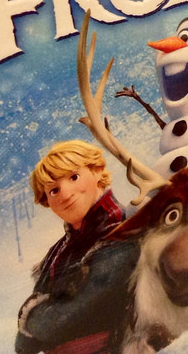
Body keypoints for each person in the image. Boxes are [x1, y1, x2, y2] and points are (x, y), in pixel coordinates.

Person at [16, 140, 138, 354]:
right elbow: (23, 345)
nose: (65, 194)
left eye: (74, 177)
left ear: (97, 171)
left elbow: (72, 315)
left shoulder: (120, 231)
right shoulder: (57, 252)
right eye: (53, 191)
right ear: (47, 201)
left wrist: (35, 320)